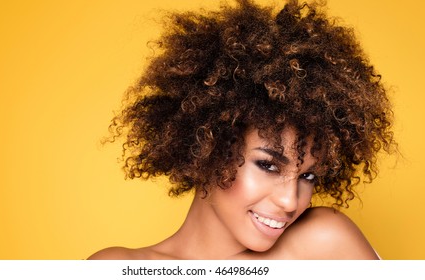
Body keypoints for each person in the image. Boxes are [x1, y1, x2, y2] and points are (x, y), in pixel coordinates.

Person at [88, 0, 395, 259]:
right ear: (207, 148)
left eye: (307, 176)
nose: (290, 201)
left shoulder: (323, 244)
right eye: (268, 165)